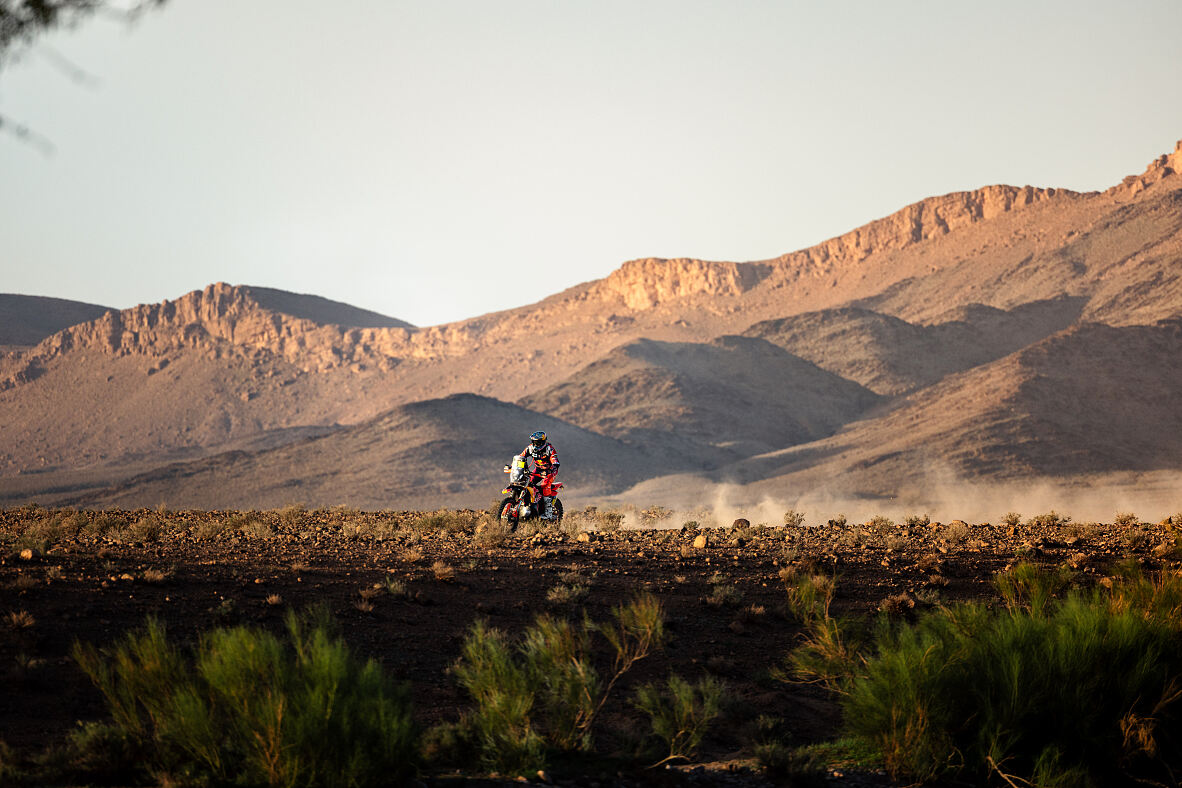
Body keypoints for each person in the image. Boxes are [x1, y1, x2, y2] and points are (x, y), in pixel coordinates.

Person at [520, 430, 560, 520]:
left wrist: (553, 468)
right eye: (534, 441)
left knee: (545, 486)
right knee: (528, 483)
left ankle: (548, 513)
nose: (535, 444)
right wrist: (514, 465)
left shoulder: (549, 449)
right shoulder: (530, 448)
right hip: (538, 470)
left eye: (537, 442)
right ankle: (530, 506)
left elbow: (555, 461)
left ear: (543, 442)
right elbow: (521, 457)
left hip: (549, 470)